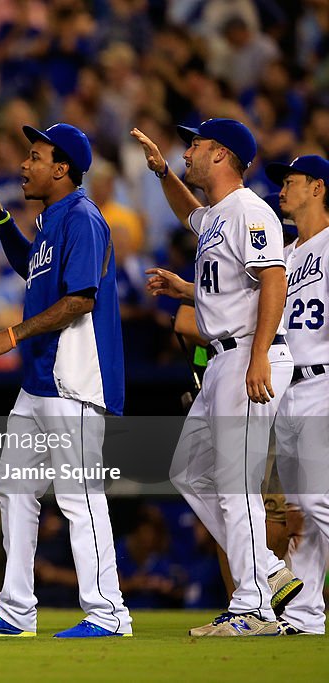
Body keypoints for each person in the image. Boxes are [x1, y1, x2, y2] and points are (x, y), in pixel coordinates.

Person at [0, 123, 133, 638]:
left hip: (73, 378)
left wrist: (12, 333)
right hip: (38, 383)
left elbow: (81, 299)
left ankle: (108, 612)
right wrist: (0, 218)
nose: (24, 165)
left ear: (62, 169)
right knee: (14, 488)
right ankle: (15, 608)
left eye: (35, 156)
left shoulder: (83, 218)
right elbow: (31, 267)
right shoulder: (52, 219)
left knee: (79, 496)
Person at [131, 118, 297, 636]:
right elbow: (193, 218)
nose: (188, 151)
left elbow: (274, 277)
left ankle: (252, 606)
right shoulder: (222, 214)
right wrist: (161, 173)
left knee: (235, 482)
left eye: (196, 145)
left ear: (222, 154)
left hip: (248, 351)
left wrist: (260, 355)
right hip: (225, 355)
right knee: (190, 471)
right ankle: (267, 573)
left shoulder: (250, 210)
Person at [264, 155, 329, 635]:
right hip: (287, 388)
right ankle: (305, 614)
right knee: (302, 511)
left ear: (318, 188)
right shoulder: (286, 254)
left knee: (318, 499)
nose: (282, 190)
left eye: (290, 182)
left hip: (324, 380)